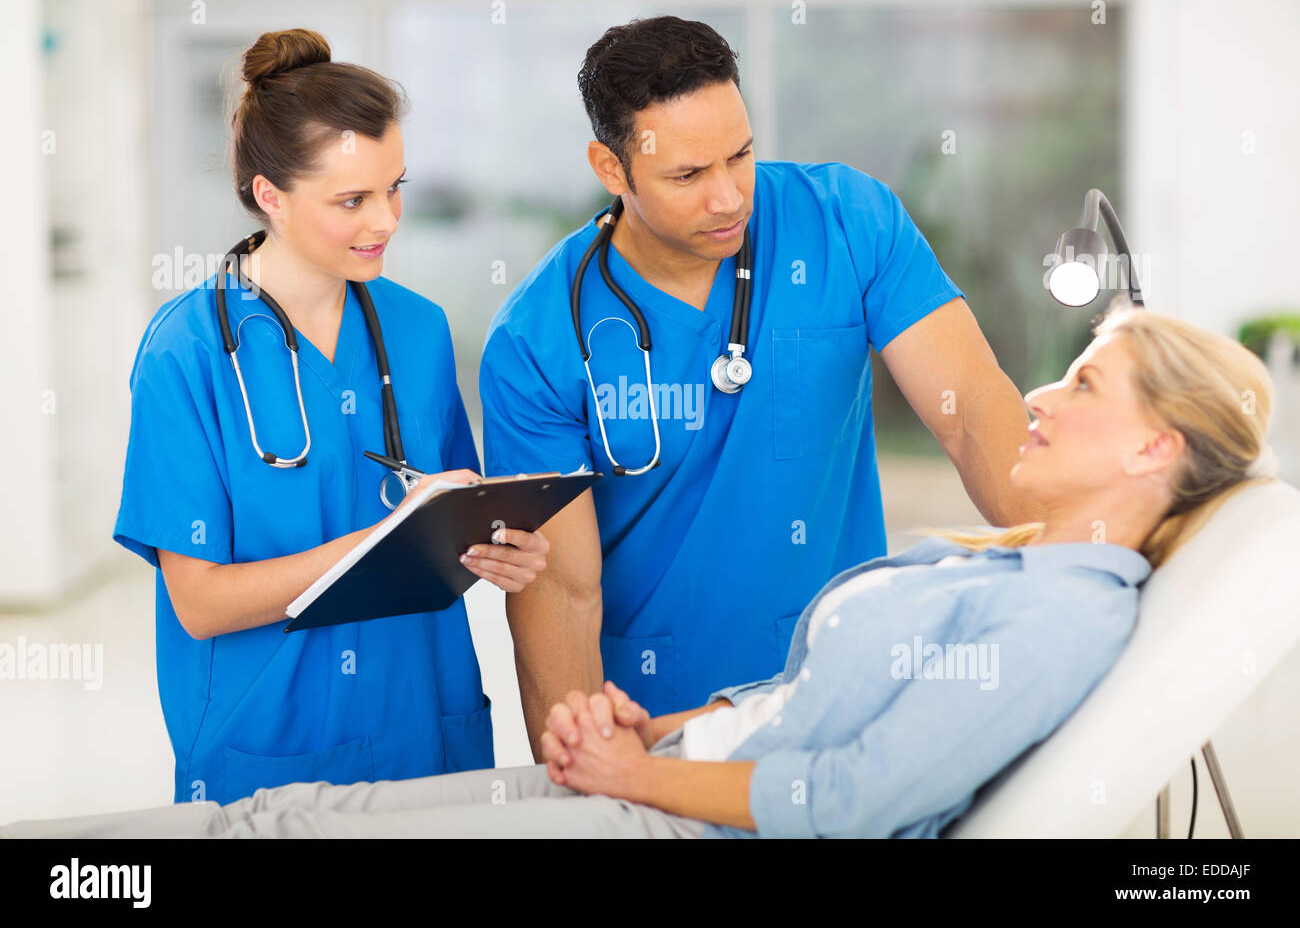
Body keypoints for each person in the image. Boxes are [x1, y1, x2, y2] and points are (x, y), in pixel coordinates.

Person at [5, 298, 1276, 838]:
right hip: (656, 780)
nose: (1040, 394)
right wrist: (651, 727)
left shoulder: (1059, 620)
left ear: (1157, 444)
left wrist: (640, 778)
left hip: (668, 822)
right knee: (293, 818)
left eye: (1086, 379)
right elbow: (795, 711)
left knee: (291, 831)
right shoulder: (1000, 571)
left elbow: (849, 800)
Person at [477, 16, 1047, 758]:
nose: (728, 199)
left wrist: (1071, 558)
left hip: (843, 689)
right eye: (687, 175)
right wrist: (585, 770)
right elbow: (560, 590)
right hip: (661, 717)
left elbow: (970, 414)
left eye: (740, 155)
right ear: (612, 169)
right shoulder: (537, 338)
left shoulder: (847, 221)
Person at [110, 29, 549, 806]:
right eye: (351, 200)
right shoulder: (187, 354)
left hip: (426, 727)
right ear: (268, 196)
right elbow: (201, 603)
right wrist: (380, 542)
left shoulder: (417, 331)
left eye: (395, 187)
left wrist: (497, 554)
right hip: (267, 748)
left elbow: (442, 533)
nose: (386, 220)